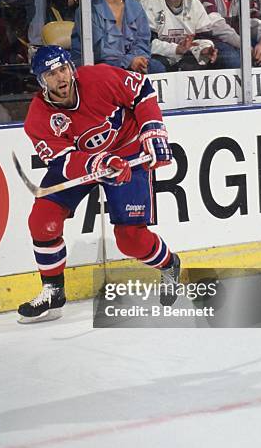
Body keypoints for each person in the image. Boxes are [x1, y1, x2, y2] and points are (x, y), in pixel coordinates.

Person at [17, 45, 180, 322]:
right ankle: (53, 290)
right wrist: (97, 165)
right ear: (41, 83)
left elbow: (141, 89)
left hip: (127, 150)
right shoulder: (38, 118)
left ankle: (169, 264)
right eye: (51, 74)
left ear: (71, 68)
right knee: (43, 219)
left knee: (130, 240)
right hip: (81, 161)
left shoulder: (98, 78)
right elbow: (62, 162)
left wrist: (153, 131)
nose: (61, 78)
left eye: (63, 69)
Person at [139, 0, 245, 72]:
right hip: (157, 56)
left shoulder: (194, 3)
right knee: (155, 66)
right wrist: (177, 49)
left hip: (186, 56)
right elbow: (146, 44)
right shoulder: (147, 3)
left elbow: (204, 37)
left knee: (229, 57)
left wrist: (204, 49)